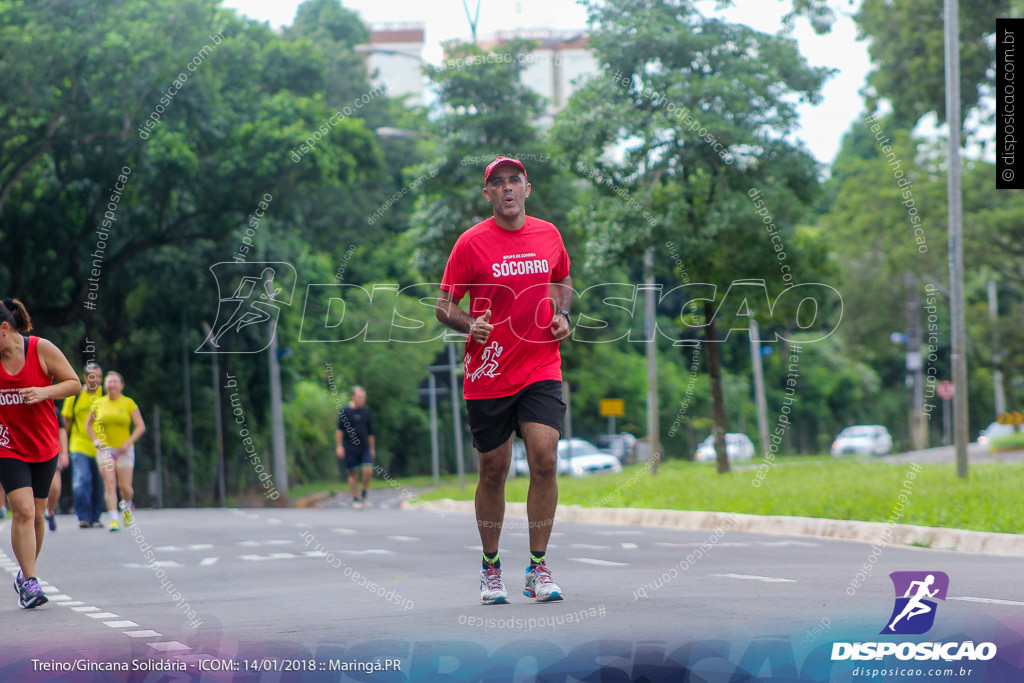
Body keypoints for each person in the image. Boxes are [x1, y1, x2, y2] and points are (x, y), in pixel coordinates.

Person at [435, 155, 572, 605]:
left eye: (515, 180)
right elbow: (444, 306)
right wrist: (468, 324)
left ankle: (537, 568)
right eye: (499, 183)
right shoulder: (470, 244)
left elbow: (563, 279)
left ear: (527, 189)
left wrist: (563, 314)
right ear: (488, 194)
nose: (508, 188)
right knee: (493, 470)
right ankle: (491, 568)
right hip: (489, 370)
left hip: (540, 366)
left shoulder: (548, 235)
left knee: (545, 458)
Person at [0, 297, 81, 608]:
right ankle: (32, 582)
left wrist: (45, 391)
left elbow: (74, 383)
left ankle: (24, 573)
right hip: (7, 444)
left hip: (43, 443)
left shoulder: (40, 349)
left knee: (36, 515)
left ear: (4, 328)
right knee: (21, 510)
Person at [86, 371, 145, 531]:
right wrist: (95, 440)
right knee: (109, 483)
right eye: (109, 382)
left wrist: (129, 442)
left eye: (115, 382)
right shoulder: (98, 403)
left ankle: (127, 507)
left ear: (121, 385)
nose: (111, 384)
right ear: (105, 385)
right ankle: (113, 517)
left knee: (125, 487)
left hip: (124, 450)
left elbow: (140, 426)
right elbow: (88, 424)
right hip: (105, 450)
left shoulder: (128, 403)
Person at [61, 361, 106, 528]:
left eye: (100, 376)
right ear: (86, 378)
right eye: (94, 376)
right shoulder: (76, 394)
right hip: (79, 444)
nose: (98, 380)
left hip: (101, 446)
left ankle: (95, 517)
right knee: (83, 479)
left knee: (98, 483)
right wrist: (62, 447)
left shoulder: (104, 394)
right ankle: (84, 517)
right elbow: (66, 422)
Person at [335, 385, 375, 508]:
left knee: (368, 470)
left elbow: (370, 431)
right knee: (353, 473)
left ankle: (364, 493)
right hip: (350, 447)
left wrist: (372, 448)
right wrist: (339, 446)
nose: (362, 399)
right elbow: (339, 430)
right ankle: (355, 498)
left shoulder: (366, 411)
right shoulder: (345, 411)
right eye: (359, 397)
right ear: (353, 397)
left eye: (363, 397)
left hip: (364, 447)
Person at [44, 409, 70, 531]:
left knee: (55, 488)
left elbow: (62, 430)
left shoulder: (53, 409)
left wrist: (64, 452)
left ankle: (50, 511)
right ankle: (35, 515)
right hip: (29, 452)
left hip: (51, 451)